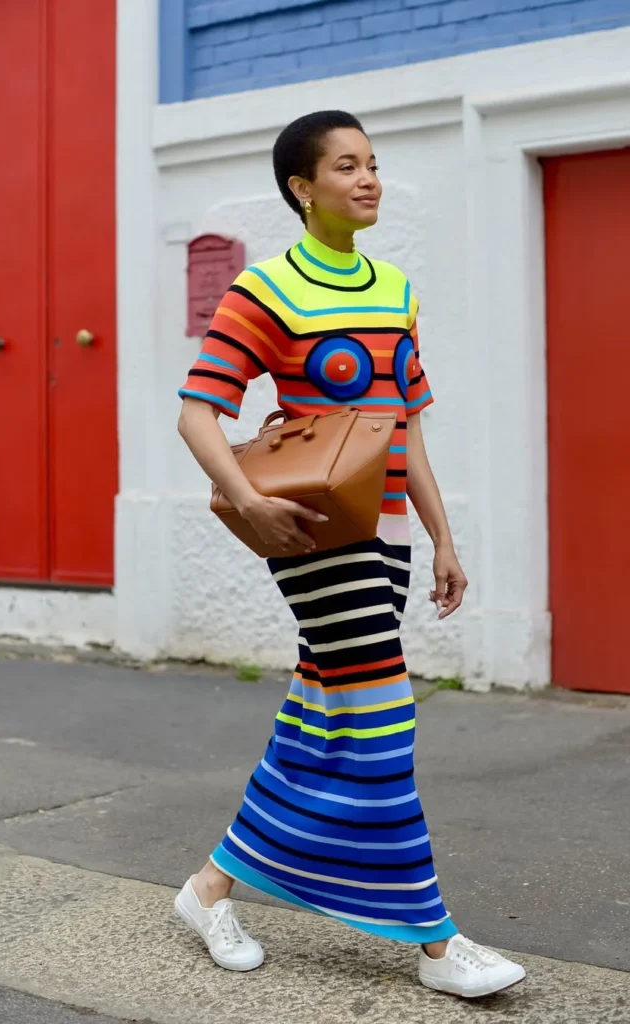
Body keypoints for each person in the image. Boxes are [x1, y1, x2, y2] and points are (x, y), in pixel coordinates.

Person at [174, 110, 526, 999]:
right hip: (316, 537)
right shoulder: (265, 291)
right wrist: (250, 501)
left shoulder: (394, 289)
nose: (367, 179)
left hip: (394, 535)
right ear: (303, 186)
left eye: (372, 163)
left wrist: (443, 536)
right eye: (345, 166)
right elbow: (197, 412)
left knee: (320, 719)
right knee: (381, 723)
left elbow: (405, 426)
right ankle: (436, 942)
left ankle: (210, 887)